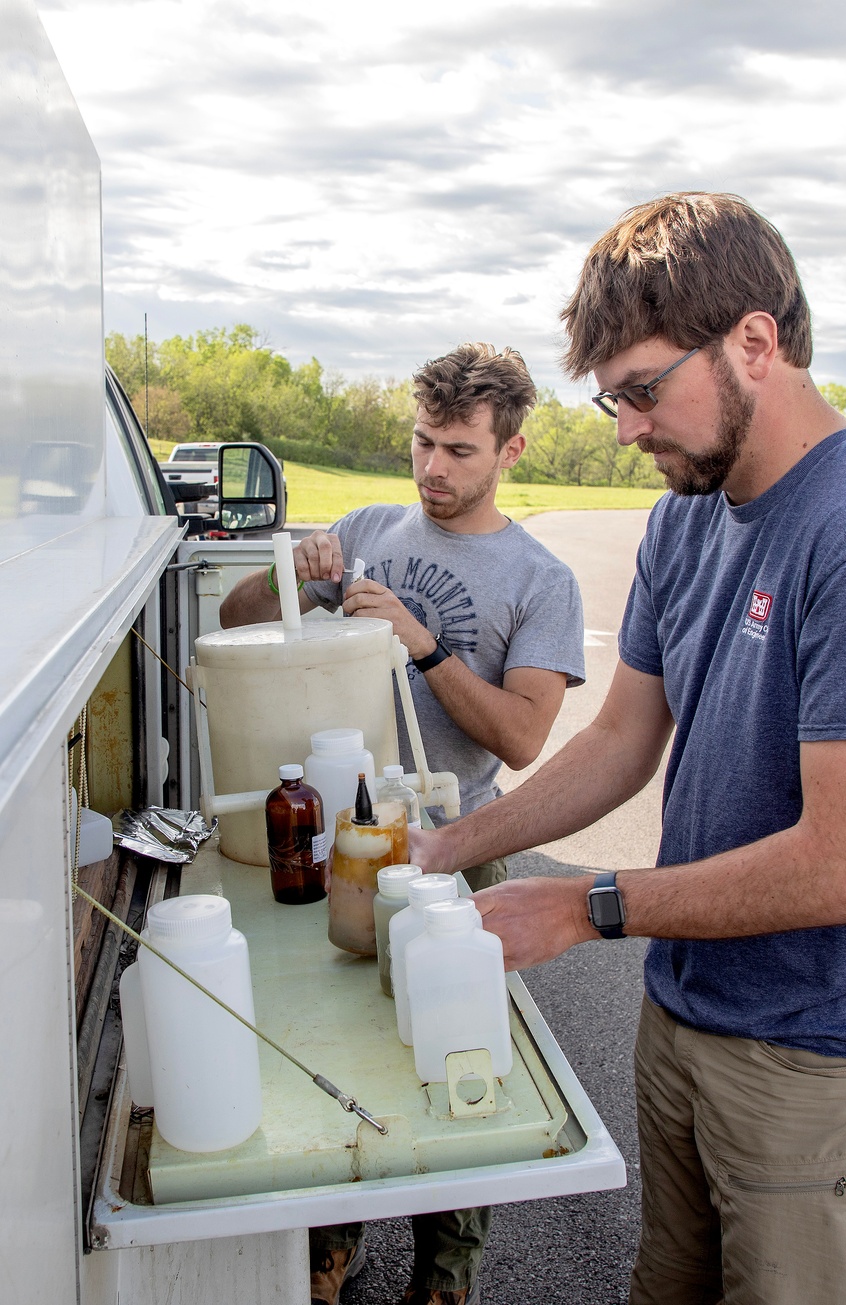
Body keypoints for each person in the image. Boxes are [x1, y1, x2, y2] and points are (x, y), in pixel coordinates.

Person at [409, 194, 846, 1305]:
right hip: (686, 1008)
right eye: (610, 398)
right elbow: (623, 737)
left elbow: (841, 867)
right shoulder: (685, 514)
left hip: (823, 1054)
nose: (626, 429)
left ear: (753, 344)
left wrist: (584, 907)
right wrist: (444, 848)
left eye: (641, 390)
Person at [220, 341, 585, 1305]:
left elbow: (524, 735)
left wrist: (423, 648)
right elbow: (238, 612)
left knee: (456, 1057)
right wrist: (289, 575)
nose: (433, 468)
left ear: (510, 450)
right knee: (340, 1041)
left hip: (464, 851)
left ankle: (447, 1270)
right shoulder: (371, 525)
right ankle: (328, 1246)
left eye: (460, 450)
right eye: (424, 442)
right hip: (353, 844)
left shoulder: (540, 578)